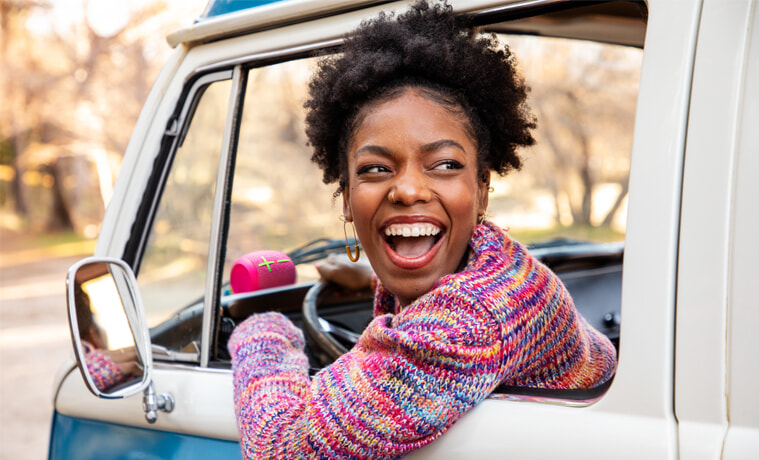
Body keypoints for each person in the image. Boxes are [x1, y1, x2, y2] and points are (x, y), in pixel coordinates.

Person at [228, 1, 617, 458]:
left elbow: (280, 448)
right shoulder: (497, 270)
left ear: (482, 189)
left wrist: (264, 333)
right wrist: (367, 282)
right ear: (347, 196)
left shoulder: (474, 317)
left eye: (445, 164)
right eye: (375, 169)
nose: (408, 189)